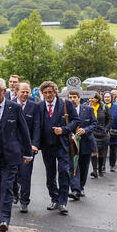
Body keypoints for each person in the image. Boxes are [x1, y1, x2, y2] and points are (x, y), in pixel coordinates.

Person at [0, 78, 32, 229]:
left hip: (12, 155)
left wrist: (27, 153)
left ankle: (5, 219)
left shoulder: (15, 107)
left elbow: (24, 131)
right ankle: (0, 216)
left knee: (6, 186)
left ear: (4, 91)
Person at [38, 81, 77, 215]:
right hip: (47, 146)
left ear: (55, 92)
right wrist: (35, 145)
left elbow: (76, 120)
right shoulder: (39, 106)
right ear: (42, 94)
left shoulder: (66, 104)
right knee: (50, 174)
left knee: (64, 172)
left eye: (50, 92)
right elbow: (37, 126)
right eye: (45, 93)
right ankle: (54, 198)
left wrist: (64, 129)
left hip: (62, 145)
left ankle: (62, 202)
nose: (48, 95)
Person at [13, 82, 41, 214]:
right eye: (22, 92)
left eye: (27, 92)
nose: (25, 94)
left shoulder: (34, 107)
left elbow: (37, 126)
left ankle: (24, 201)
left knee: (25, 175)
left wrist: (34, 144)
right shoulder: (10, 104)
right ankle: (14, 193)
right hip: (11, 146)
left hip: (27, 147)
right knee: (11, 174)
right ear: (17, 92)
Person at [68, 89, 96, 200]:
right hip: (71, 143)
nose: (72, 99)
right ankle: (75, 190)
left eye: (74, 97)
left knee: (84, 167)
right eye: (70, 97)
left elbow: (94, 123)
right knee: (74, 166)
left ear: (79, 98)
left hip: (86, 142)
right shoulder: (66, 110)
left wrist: (86, 129)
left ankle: (81, 186)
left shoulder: (88, 109)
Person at [90, 92, 110, 179]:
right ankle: (94, 170)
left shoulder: (104, 107)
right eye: (90, 98)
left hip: (102, 133)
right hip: (92, 133)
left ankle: (100, 169)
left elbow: (110, 119)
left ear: (97, 99)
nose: (91, 100)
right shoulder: (88, 107)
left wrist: (106, 129)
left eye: (93, 98)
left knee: (101, 153)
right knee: (93, 152)